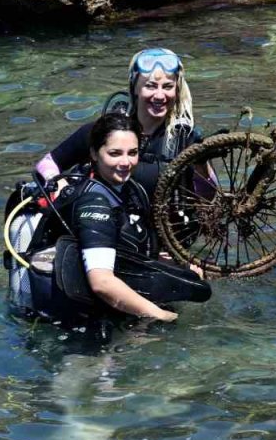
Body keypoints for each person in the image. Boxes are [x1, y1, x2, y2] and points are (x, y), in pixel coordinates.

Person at [18, 112, 199, 327]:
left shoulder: (131, 190)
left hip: (118, 302)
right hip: (83, 324)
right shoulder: (94, 204)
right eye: (114, 153)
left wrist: (180, 266)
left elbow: (133, 251)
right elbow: (102, 283)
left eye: (132, 153)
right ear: (94, 154)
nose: (125, 162)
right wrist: (161, 315)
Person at [37, 47, 202, 194]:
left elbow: (208, 196)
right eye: (150, 86)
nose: (159, 95)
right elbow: (47, 164)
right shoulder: (104, 132)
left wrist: (203, 165)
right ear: (134, 88)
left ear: (177, 90)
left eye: (167, 87)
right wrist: (59, 186)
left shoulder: (186, 140)